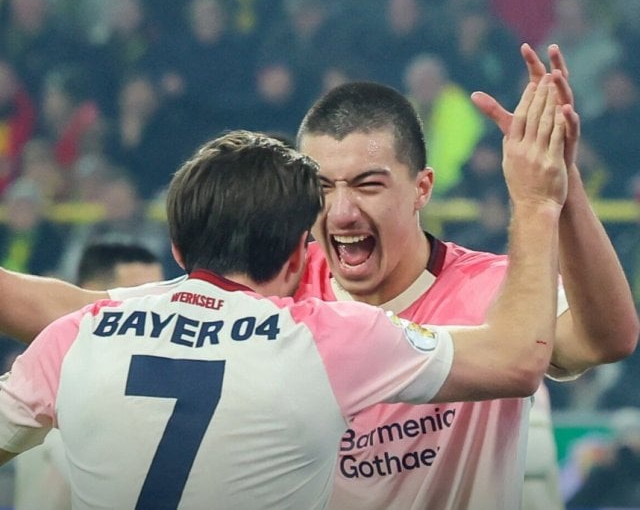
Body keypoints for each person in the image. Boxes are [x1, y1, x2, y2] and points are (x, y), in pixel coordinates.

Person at [0, 44, 637, 509]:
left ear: (422, 188)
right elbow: (81, 312)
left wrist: (561, 187)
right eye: (322, 188)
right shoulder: (271, 293)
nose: (341, 212)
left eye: (367, 185)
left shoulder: (500, 293)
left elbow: (608, 338)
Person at [12, 240, 165, 510]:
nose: (153, 310)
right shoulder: (58, 387)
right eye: (137, 295)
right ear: (92, 294)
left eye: (160, 298)